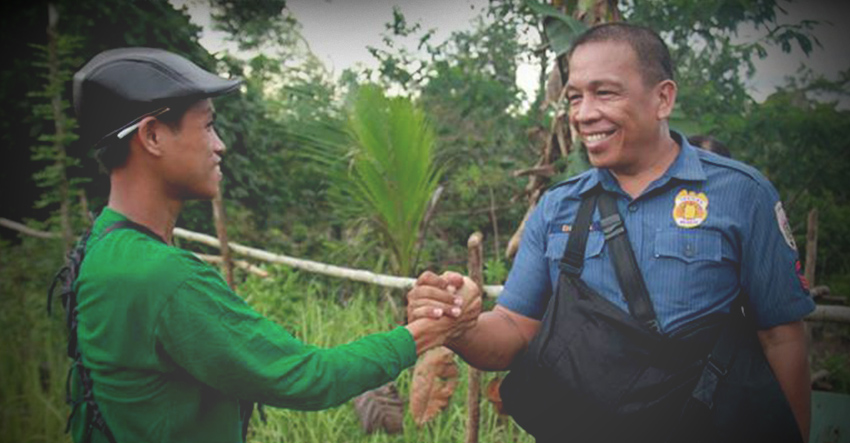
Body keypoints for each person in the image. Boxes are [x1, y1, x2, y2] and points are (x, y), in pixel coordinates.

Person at [408, 23, 814, 442]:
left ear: (663, 98)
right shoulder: (558, 206)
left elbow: (780, 336)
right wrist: (458, 324)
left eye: (605, 93)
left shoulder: (741, 195)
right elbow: (513, 329)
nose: (583, 114)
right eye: (575, 97)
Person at [58, 47, 478, 443]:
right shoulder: (162, 277)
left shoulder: (102, 246)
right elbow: (310, 376)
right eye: (206, 125)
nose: (220, 144)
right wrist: (425, 333)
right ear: (152, 137)